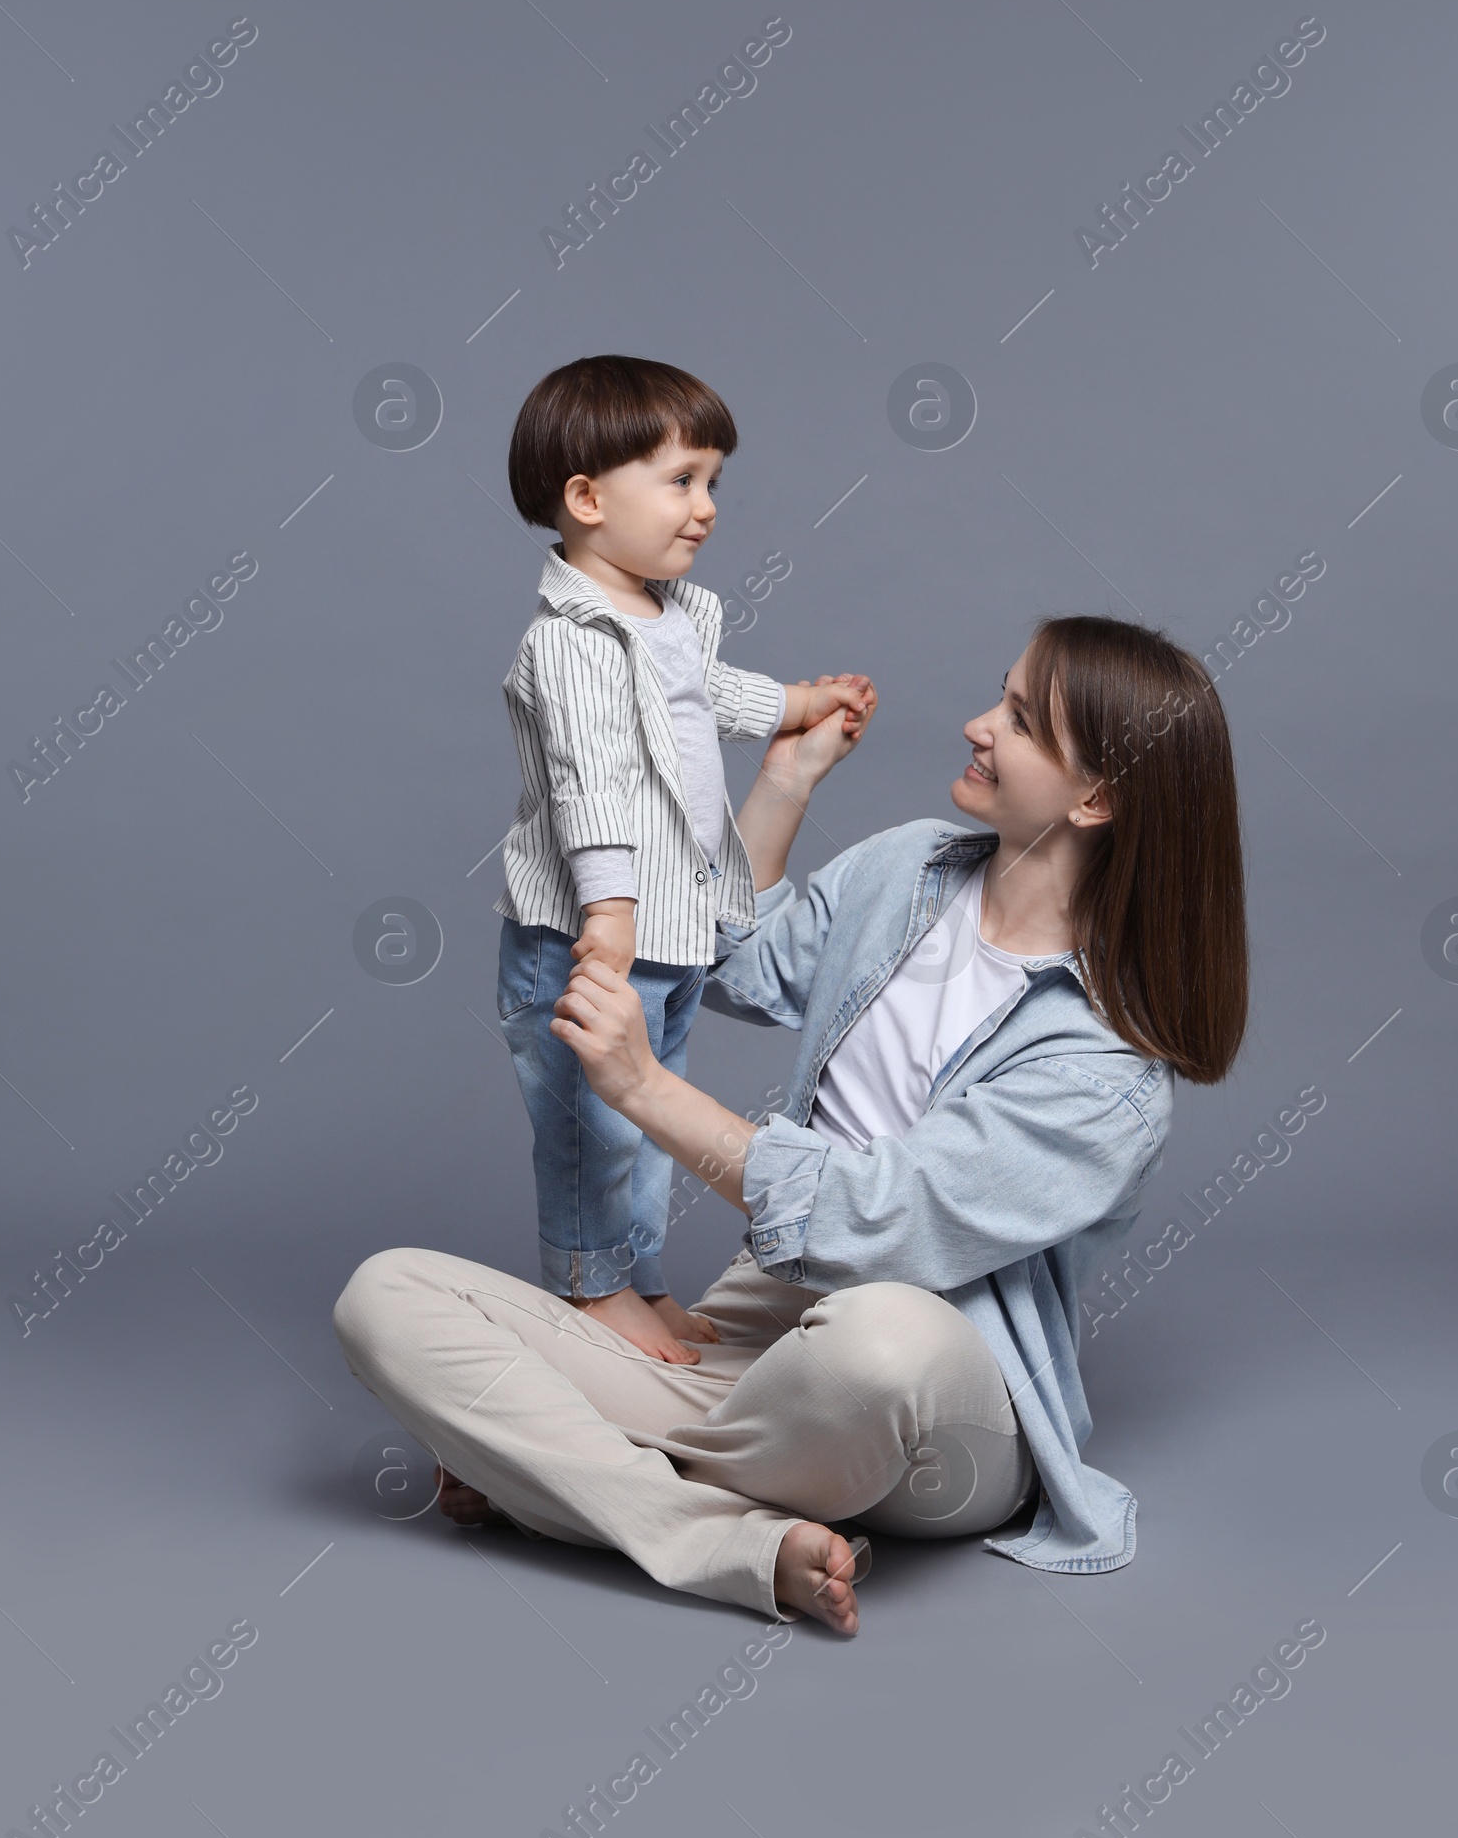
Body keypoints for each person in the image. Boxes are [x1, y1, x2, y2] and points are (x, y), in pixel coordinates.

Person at [334, 617, 1247, 1634]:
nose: (977, 724)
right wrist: (786, 784)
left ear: (1096, 797)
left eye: (1022, 722)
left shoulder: (1107, 1071)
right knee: (388, 1296)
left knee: (879, 1339)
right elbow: (739, 958)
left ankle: (559, 1479)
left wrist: (645, 1090)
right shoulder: (913, 868)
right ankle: (721, 1533)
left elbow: (878, 1220)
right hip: (761, 1343)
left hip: (935, 1397)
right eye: (1001, 694)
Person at [492, 354, 876, 1362]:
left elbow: (713, 699)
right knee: (588, 1128)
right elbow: (587, 785)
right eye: (679, 481)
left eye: (712, 482)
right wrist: (606, 913)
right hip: (586, 933)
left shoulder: (676, 617)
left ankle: (642, 1281)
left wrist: (797, 706)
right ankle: (588, 1291)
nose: (704, 507)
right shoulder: (571, 641)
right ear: (585, 498)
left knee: (648, 1126)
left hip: (669, 925)